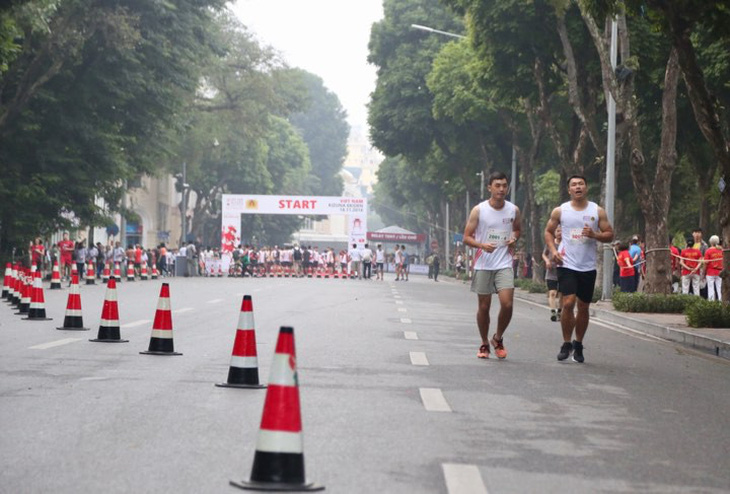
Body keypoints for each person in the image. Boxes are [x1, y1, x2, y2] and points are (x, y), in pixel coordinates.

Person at [545, 174, 614, 363]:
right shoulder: (560, 211)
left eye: (581, 184)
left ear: (586, 188)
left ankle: (578, 343)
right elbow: (548, 232)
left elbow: (609, 234)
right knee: (568, 303)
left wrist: (595, 234)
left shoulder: (597, 211)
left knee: (583, 306)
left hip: (587, 266)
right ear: (569, 190)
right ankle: (566, 343)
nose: (577, 187)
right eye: (574, 185)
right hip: (566, 264)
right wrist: (553, 251)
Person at [463, 171, 521, 360]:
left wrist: (514, 239)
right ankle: (484, 343)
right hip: (483, 263)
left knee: (507, 303)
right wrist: (481, 245)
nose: (501, 189)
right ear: (489, 187)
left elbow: (518, 230)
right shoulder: (479, 210)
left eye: (504, 185)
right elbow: (466, 237)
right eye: (497, 185)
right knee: (484, 307)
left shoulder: (513, 210)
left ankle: (498, 338)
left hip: (504, 262)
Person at [542, 226, 562, 321]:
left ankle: (560, 311)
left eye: (561, 231)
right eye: (558, 231)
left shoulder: (566, 244)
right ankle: (553, 312)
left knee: (562, 294)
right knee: (552, 293)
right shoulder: (550, 243)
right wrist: (547, 261)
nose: (559, 233)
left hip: (563, 271)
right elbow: (544, 254)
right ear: (554, 232)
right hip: (551, 272)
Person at [704, 235, 723, 301]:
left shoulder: (708, 251)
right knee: (719, 288)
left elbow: (706, 263)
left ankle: (711, 303)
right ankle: (721, 302)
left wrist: (704, 272)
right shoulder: (721, 250)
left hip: (710, 272)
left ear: (710, 242)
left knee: (711, 288)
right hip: (720, 272)